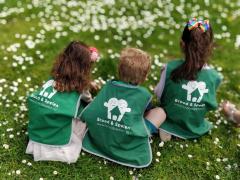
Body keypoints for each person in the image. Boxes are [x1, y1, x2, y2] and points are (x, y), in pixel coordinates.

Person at [80, 48, 165, 168]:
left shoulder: (109, 86)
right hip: (126, 139)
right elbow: (145, 112)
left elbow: (91, 112)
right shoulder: (144, 94)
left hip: (100, 139)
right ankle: (150, 134)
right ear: (145, 76)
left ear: (119, 71)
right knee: (160, 112)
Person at [26, 41, 99, 163]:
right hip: (56, 138)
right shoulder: (81, 87)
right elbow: (88, 102)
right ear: (84, 66)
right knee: (83, 121)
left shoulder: (56, 75)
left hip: (37, 131)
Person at [154, 18, 222, 141]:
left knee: (156, 111)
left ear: (182, 44)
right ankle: (183, 128)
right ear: (210, 47)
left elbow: (159, 94)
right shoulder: (215, 77)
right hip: (195, 127)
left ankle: (169, 128)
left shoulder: (169, 68)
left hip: (169, 119)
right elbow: (210, 104)